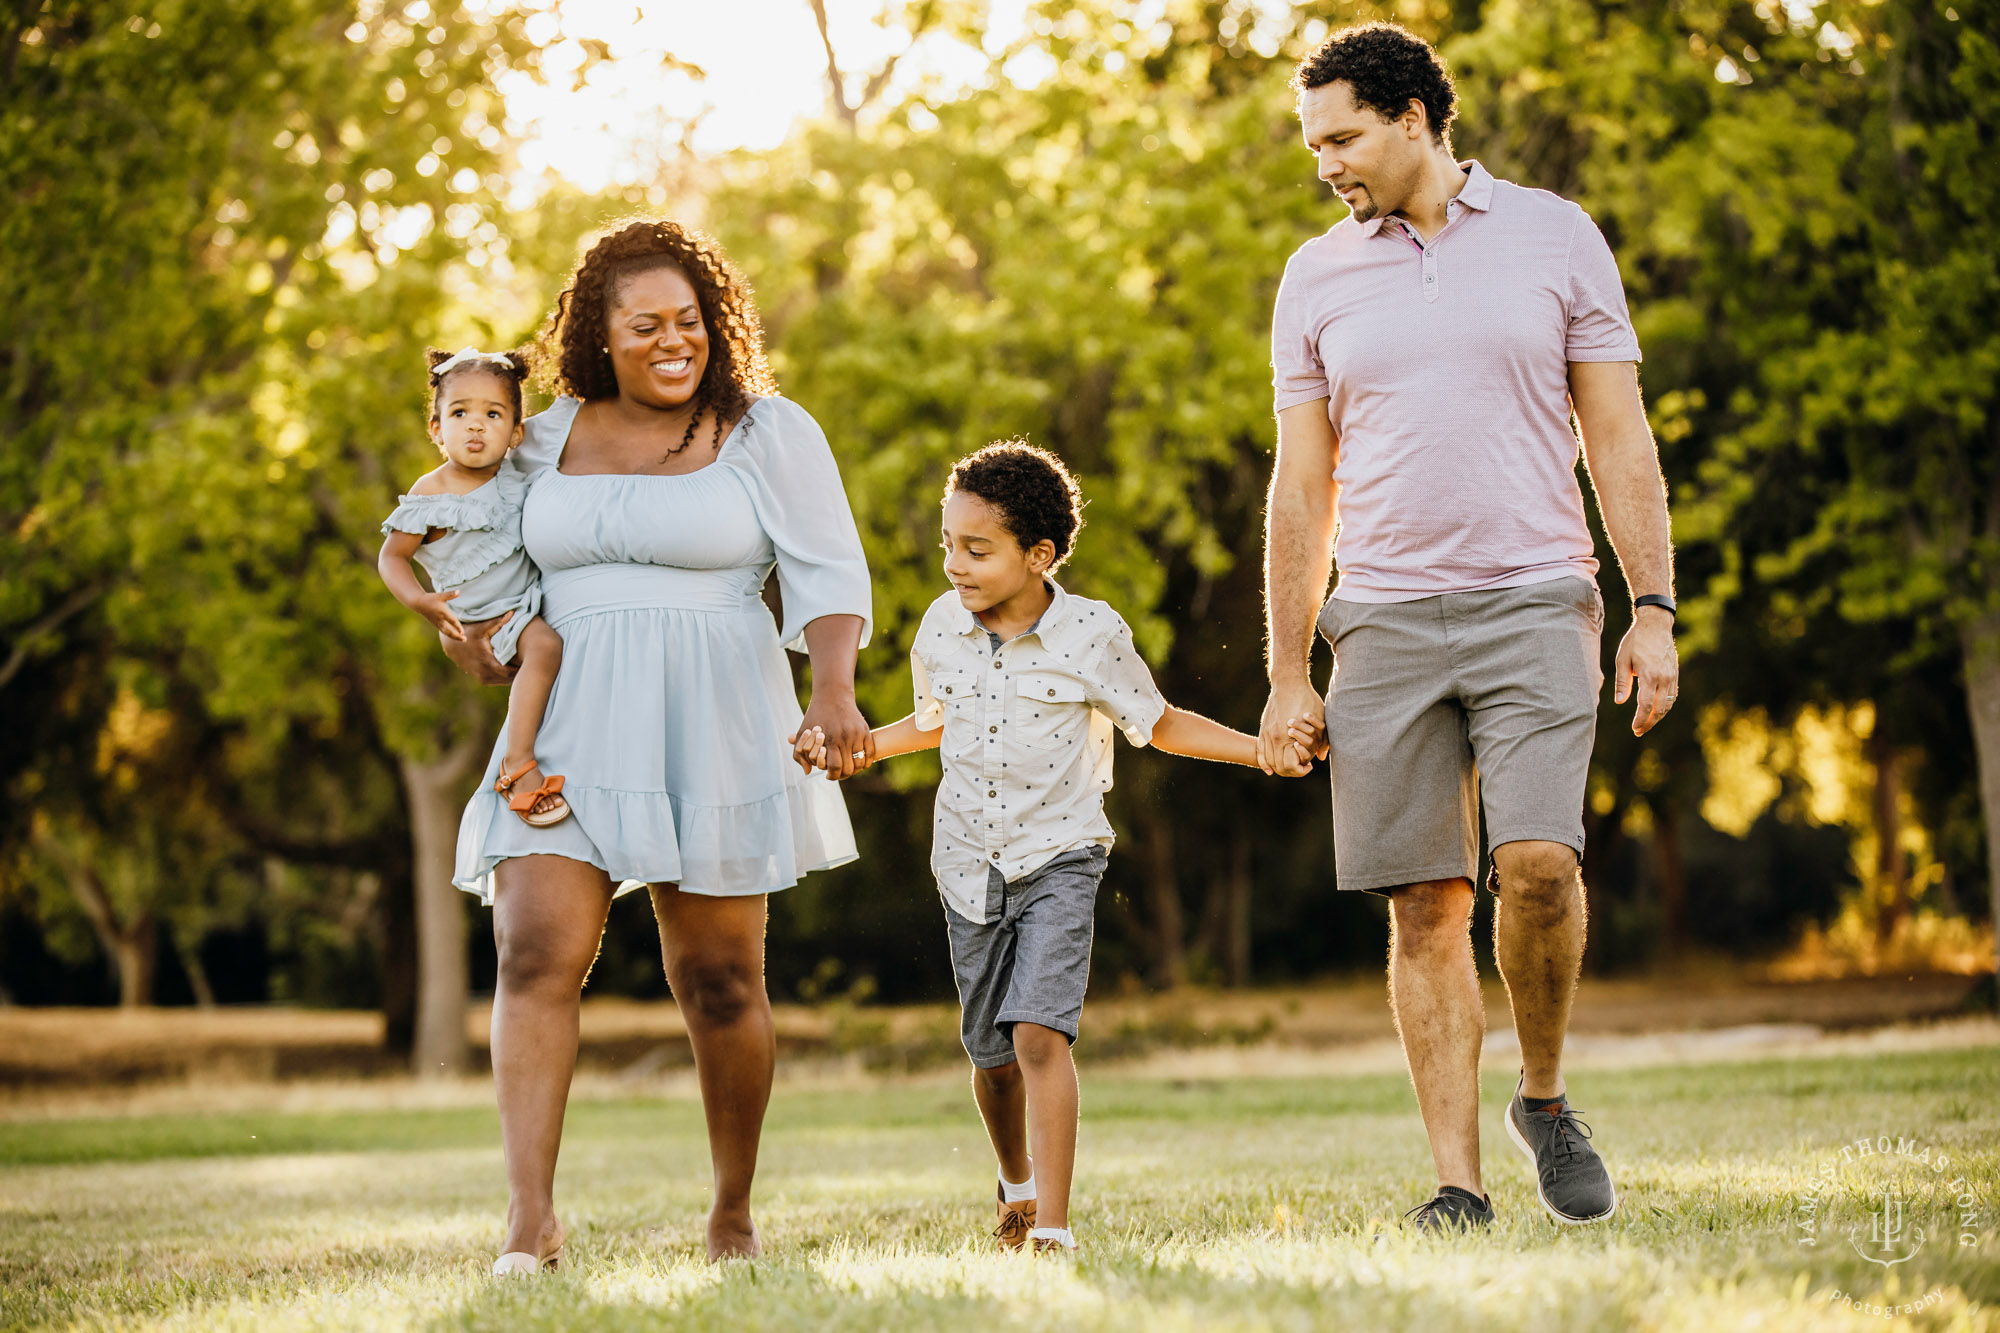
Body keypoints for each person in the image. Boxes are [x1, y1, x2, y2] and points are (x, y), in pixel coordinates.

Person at [1259, 24, 1680, 1232]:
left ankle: (1540, 1097)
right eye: (1311, 142)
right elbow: (1302, 486)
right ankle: (1457, 1182)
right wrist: (1290, 670)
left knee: (1537, 866)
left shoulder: (1554, 236)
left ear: (1411, 118)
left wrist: (1649, 609)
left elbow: (1617, 438)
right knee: (1423, 904)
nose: (1323, 163)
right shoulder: (1314, 275)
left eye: (1338, 136)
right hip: (1380, 621)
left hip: (1537, 596)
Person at [439, 219, 875, 1271]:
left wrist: (833, 693)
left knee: (719, 977)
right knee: (534, 945)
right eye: (645, 326)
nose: (673, 341)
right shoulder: (536, 439)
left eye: (690, 321)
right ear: (597, 333)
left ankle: (731, 1213)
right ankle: (527, 1220)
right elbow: (487, 568)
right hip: (570, 718)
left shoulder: (765, 431)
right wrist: (478, 635)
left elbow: (825, 574)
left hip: (719, 709)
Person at [799, 441, 1305, 1255]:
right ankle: (1018, 1184)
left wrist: (1259, 748)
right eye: (947, 546)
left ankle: (1056, 1229)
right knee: (992, 1053)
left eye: (976, 549)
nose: (954, 565)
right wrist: (851, 747)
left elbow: (1159, 721)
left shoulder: (1091, 633)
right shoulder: (940, 626)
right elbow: (932, 724)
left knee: (1039, 1033)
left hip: (1062, 855)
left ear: (1038, 555)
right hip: (968, 862)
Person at [378, 347, 570, 828]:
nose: (476, 425)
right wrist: (419, 601)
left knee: (558, 654)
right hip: (489, 614)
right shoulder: (430, 494)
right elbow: (392, 557)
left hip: (530, 600)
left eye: (493, 413)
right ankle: (518, 763)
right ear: (436, 429)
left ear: (516, 433)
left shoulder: (516, 477)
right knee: (545, 648)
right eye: (460, 413)